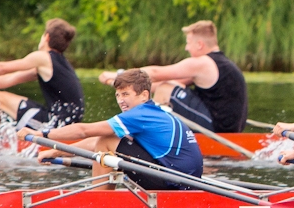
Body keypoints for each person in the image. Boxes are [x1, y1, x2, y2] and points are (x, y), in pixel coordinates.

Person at [19, 69, 203, 189]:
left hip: (176, 184)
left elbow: (85, 130)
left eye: (125, 94)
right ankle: (102, 199)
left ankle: (98, 204)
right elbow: (98, 141)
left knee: (106, 140)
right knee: (106, 141)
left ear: (144, 95)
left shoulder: (140, 114)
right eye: (117, 95)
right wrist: (56, 152)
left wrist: (41, 134)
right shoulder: (153, 112)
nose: (120, 100)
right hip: (184, 181)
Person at [98, 20, 248, 132]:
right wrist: (119, 85)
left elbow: (156, 74)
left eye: (188, 43)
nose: (186, 47)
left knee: (165, 88)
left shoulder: (203, 63)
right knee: (167, 86)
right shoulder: (222, 63)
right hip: (228, 127)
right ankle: (140, 126)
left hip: (218, 130)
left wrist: (117, 75)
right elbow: (157, 85)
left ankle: (146, 132)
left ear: (200, 44)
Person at [0, 18, 84, 128]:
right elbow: (10, 79)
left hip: (56, 124)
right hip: (65, 123)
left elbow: (2, 68)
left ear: (47, 37)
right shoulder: (57, 64)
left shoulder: (43, 57)